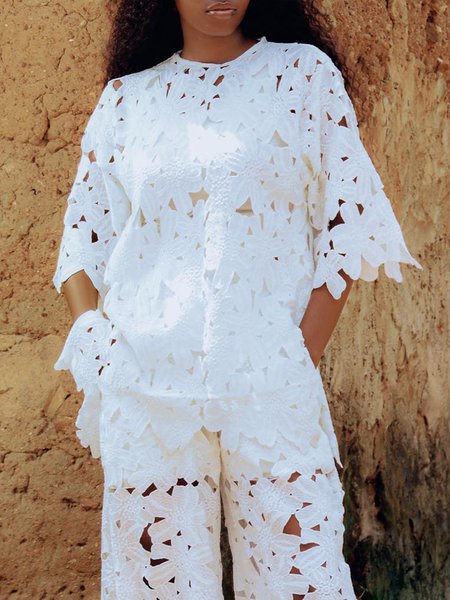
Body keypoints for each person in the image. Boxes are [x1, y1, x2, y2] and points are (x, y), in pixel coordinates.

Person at [51, 0, 423, 598]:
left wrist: (299, 356)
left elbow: (348, 227)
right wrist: (98, 349)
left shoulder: (303, 75)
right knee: (158, 587)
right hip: (146, 395)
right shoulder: (125, 100)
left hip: (270, 387)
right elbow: (81, 246)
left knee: (301, 579)